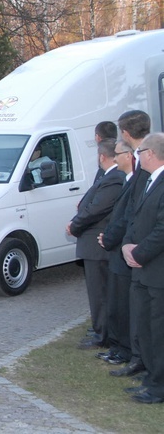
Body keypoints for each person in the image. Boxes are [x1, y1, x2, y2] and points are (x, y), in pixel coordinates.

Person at [97, 110, 151, 375]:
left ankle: (136, 356)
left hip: (138, 250)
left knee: (137, 310)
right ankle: (133, 354)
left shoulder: (145, 169)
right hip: (130, 246)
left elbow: (135, 212)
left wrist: (117, 239)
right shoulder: (139, 171)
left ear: (126, 134)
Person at [67, 139, 124, 351]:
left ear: (101, 157)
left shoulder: (114, 178)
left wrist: (75, 225)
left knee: (100, 293)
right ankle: (101, 329)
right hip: (93, 241)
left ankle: (103, 334)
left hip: (97, 242)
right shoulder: (109, 177)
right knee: (98, 291)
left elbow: (96, 209)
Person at [121, 132, 164, 404]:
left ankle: (158, 387)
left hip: (157, 270)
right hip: (144, 269)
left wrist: (138, 253)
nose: (138, 156)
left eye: (141, 151)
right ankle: (151, 377)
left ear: (150, 153)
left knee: (159, 332)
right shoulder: (149, 180)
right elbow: (135, 217)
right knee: (147, 328)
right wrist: (127, 245)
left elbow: (162, 229)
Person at [96, 141, 135, 368]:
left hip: (123, 250)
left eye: (119, 154)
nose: (115, 157)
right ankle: (119, 347)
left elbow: (127, 218)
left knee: (122, 305)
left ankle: (125, 349)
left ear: (128, 156)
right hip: (116, 248)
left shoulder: (134, 181)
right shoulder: (128, 180)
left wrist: (110, 238)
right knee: (116, 303)